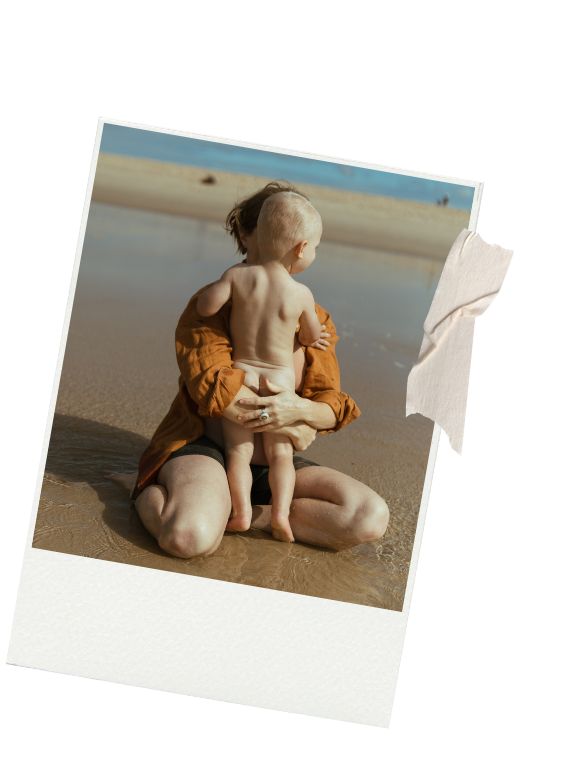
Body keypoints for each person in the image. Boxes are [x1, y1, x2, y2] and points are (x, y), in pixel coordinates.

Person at [108, 182, 389, 558]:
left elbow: (328, 403)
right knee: (188, 538)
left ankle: (246, 515)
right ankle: (150, 487)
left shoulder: (316, 320)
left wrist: (304, 412)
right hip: (208, 447)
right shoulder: (211, 306)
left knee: (367, 516)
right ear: (245, 233)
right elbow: (215, 390)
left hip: (274, 461)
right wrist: (293, 424)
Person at [195, 192, 327, 542]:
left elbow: (207, 307)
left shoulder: (238, 276)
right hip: (280, 380)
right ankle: (280, 516)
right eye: (315, 247)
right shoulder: (301, 293)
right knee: (280, 453)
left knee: (239, 451)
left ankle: (239, 512)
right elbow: (313, 334)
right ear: (301, 249)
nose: (313, 253)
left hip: (244, 372)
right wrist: (310, 335)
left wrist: (215, 295)